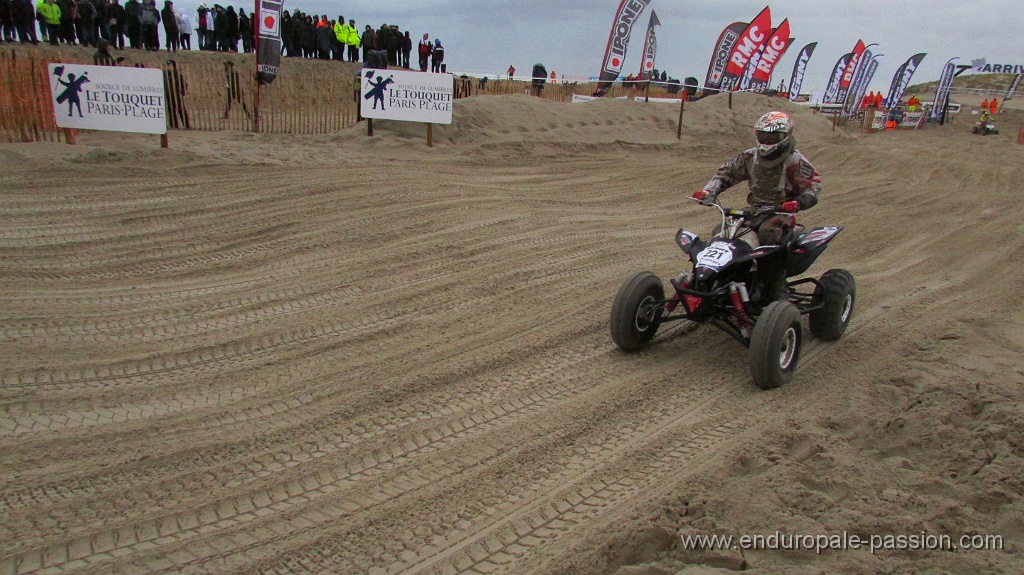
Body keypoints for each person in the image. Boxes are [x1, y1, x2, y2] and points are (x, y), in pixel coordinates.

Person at [692, 111, 822, 300]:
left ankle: (771, 284)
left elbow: (814, 188)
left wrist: (798, 202)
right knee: (722, 232)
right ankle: (723, 277)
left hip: (780, 211)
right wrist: (708, 192)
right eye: (763, 136)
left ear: (785, 137)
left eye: (772, 137)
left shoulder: (796, 161)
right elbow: (725, 173)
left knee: (768, 234)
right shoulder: (750, 157)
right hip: (753, 210)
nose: (767, 141)